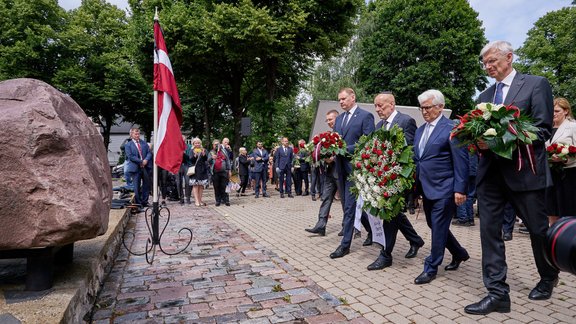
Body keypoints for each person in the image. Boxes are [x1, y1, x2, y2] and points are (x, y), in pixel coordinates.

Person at [465, 40, 559, 315]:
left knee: (538, 231)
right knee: (489, 233)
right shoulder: (484, 97)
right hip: (491, 176)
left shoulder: (535, 84)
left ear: (509, 56)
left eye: (492, 61)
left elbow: (542, 130)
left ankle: (548, 275)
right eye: (485, 64)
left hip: (525, 174)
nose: (488, 67)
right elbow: (477, 131)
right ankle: (497, 293)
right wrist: (476, 141)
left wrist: (498, 142)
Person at [413, 89, 470, 285]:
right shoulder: (420, 130)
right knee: (435, 225)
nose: (424, 111)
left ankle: (431, 267)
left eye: (428, 107)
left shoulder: (452, 128)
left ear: (440, 107)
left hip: (445, 188)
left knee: (437, 227)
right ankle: (459, 253)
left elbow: (461, 161)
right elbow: (419, 159)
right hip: (426, 188)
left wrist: (460, 189)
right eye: (422, 108)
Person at [366, 92, 425, 271]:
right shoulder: (379, 125)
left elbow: (411, 151)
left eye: (380, 106)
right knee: (394, 214)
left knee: (389, 215)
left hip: (399, 178)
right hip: (383, 178)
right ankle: (416, 240)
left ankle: (386, 255)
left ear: (392, 104)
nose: (377, 109)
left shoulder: (406, 121)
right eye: (375, 106)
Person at [329, 87, 375, 259]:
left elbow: (368, 143)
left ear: (353, 97)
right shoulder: (339, 119)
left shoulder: (365, 116)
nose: (340, 102)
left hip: (357, 170)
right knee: (350, 207)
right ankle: (371, 232)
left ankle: (345, 245)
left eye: (343, 99)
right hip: (341, 169)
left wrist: (343, 149)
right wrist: (329, 152)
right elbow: (335, 142)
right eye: (339, 100)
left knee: (351, 207)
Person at [305, 110, 341, 236]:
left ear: (337, 118)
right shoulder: (329, 135)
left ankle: (349, 227)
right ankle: (321, 225)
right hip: (329, 172)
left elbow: (345, 150)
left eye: (330, 119)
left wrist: (334, 158)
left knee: (346, 202)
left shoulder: (343, 132)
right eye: (327, 120)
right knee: (326, 198)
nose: (328, 122)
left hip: (341, 173)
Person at [124, 127, 152, 211]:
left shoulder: (144, 143)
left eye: (138, 134)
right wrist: (141, 161)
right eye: (135, 134)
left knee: (146, 184)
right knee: (136, 185)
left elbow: (149, 152)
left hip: (145, 167)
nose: (137, 135)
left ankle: (145, 201)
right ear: (131, 134)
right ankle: (139, 203)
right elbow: (130, 156)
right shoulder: (128, 145)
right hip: (135, 168)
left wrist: (146, 160)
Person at [453, 153, 478, 227]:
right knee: (470, 196)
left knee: (461, 192)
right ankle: (470, 218)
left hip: (465, 172)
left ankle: (463, 218)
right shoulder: (474, 144)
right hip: (474, 170)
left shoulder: (462, 145)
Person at [208, 139, 232, 206]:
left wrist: (229, 170)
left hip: (224, 171)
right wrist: (212, 158)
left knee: (224, 186)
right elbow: (208, 162)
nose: (216, 146)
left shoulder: (223, 151)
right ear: (213, 145)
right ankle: (218, 201)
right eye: (215, 144)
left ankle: (226, 200)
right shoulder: (211, 152)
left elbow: (228, 161)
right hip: (215, 172)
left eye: (217, 144)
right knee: (216, 187)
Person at [189, 137, 209, 207]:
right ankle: (196, 201)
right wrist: (195, 155)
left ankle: (200, 200)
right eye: (196, 143)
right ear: (193, 144)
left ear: (200, 143)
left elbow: (206, 159)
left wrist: (203, 154)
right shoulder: (192, 150)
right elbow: (191, 160)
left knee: (201, 186)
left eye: (198, 143)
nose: (197, 144)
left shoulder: (203, 150)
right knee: (195, 185)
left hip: (202, 169)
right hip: (195, 170)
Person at [178, 136, 193, 205]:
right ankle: (181, 198)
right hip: (178, 166)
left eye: (183, 140)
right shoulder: (176, 146)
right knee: (178, 182)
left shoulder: (189, 147)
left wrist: (184, 153)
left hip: (187, 165)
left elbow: (190, 157)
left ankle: (188, 198)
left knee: (188, 182)